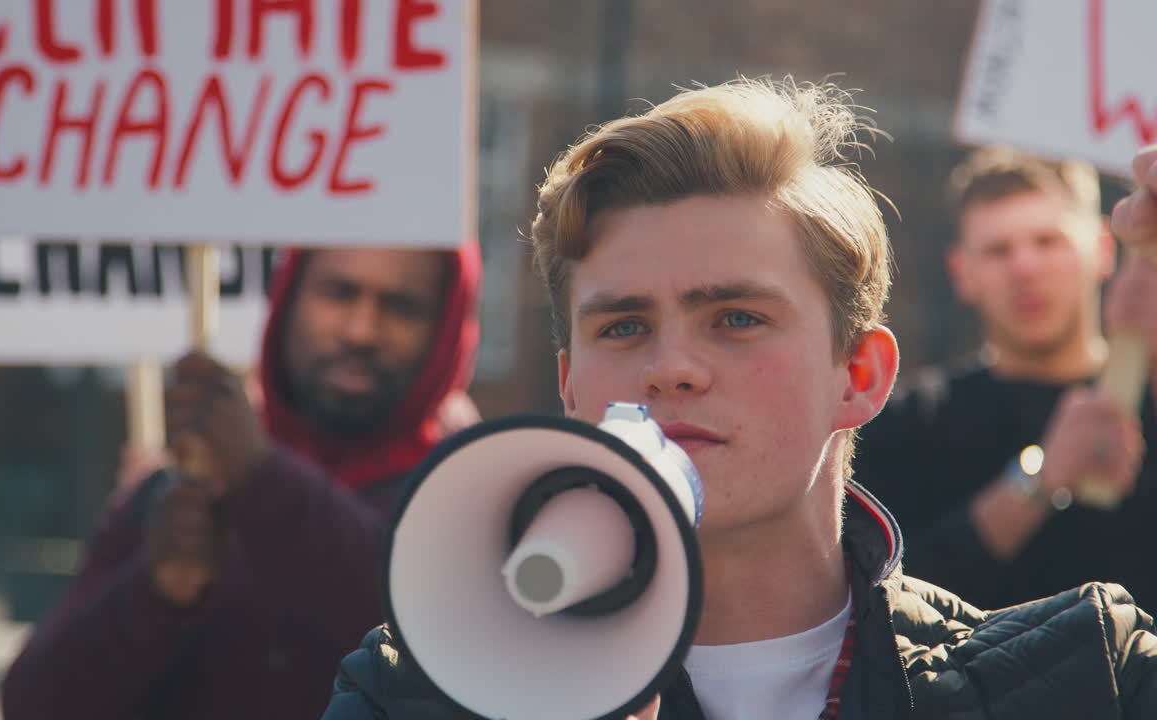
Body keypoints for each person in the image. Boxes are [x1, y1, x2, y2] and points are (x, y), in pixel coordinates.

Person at [322, 80, 1157, 719]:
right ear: (571, 386)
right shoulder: (405, 694)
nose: (671, 368)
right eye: (624, 327)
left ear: (859, 375)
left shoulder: (1092, 675)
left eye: (736, 318)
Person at [0, 243, 481, 720]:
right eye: (339, 292)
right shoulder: (178, 490)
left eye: (401, 306)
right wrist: (154, 591)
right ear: (286, 299)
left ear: (448, 326)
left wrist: (260, 475)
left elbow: (423, 634)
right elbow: (32, 705)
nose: (361, 331)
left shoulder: (479, 505)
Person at [852, 147, 1157, 610]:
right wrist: (1040, 479)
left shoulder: (1145, 394)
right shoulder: (907, 421)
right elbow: (881, 593)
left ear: (1102, 249)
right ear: (962, 273)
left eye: (1048, 241)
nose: (1025, 268)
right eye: (998, 250)